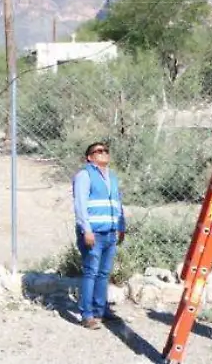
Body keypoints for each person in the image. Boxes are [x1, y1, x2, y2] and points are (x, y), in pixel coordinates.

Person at [72, 140, 127, 329]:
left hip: (110, 232)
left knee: (104, 274)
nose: (104, 153)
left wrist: (121, 226)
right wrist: (86, 230)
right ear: (90, 157)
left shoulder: (112, 177)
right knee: (91, 273)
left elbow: (117, 203)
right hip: (93, 233)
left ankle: (100, 310)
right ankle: (87, 315)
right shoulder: (84, 175)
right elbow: (80, 205)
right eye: (99, 151)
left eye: (106, 150)